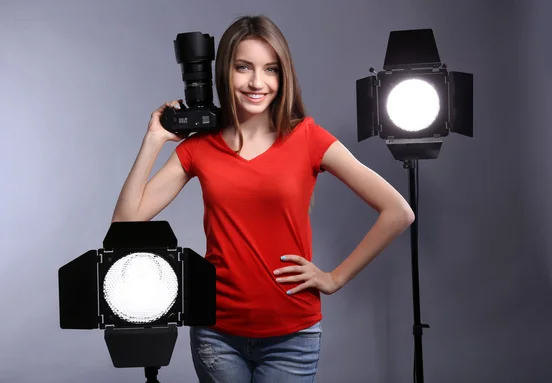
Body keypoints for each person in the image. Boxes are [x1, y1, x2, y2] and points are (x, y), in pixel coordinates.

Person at [112, 14, 415, 383]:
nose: (257, 82)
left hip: (292, 338)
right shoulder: (200, 148)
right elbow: (125, 224)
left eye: (270, 69)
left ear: (282, 76)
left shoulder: (307, 138)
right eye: (244, 67)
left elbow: (398, 212)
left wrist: (335, 278)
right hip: (217, 333)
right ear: (224, 70)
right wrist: (153, 140)